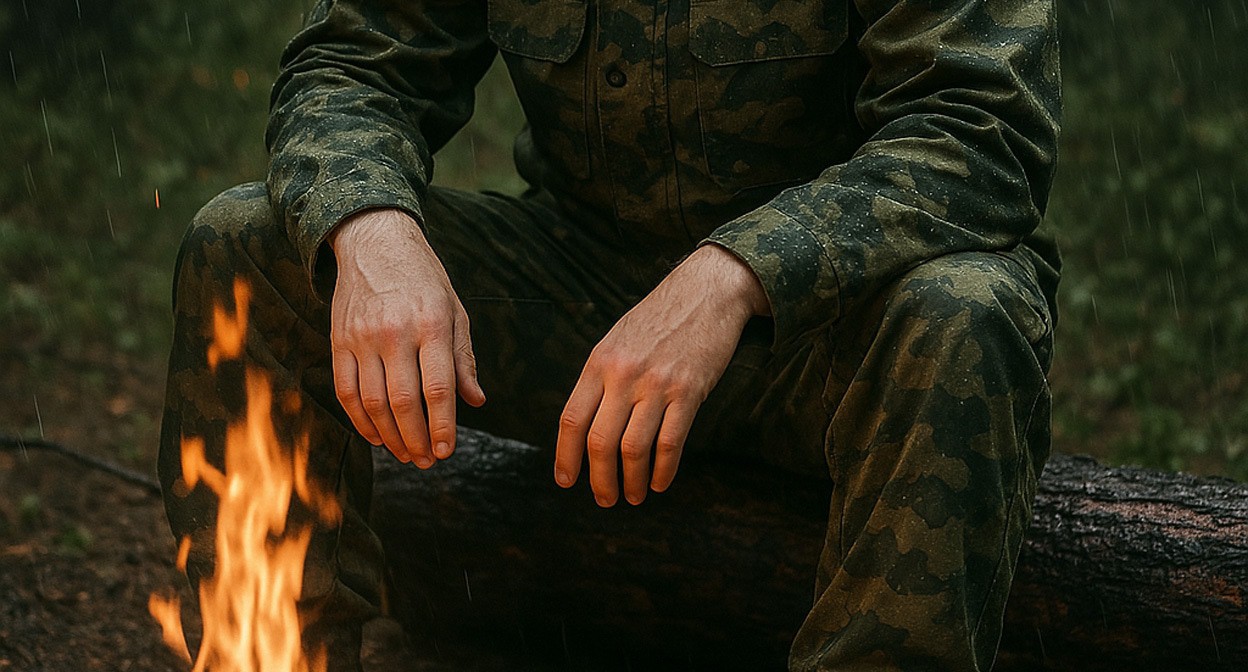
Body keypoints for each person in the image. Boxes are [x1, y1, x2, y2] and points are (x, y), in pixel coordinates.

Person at [158, 0, 1061, 669]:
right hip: (583, 304)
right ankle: (275, 653)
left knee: (967, 310)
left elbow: (979, 129)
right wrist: (374, 228)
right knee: (250, 247)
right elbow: (356, 62)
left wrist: (732, 276)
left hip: (839, 325)